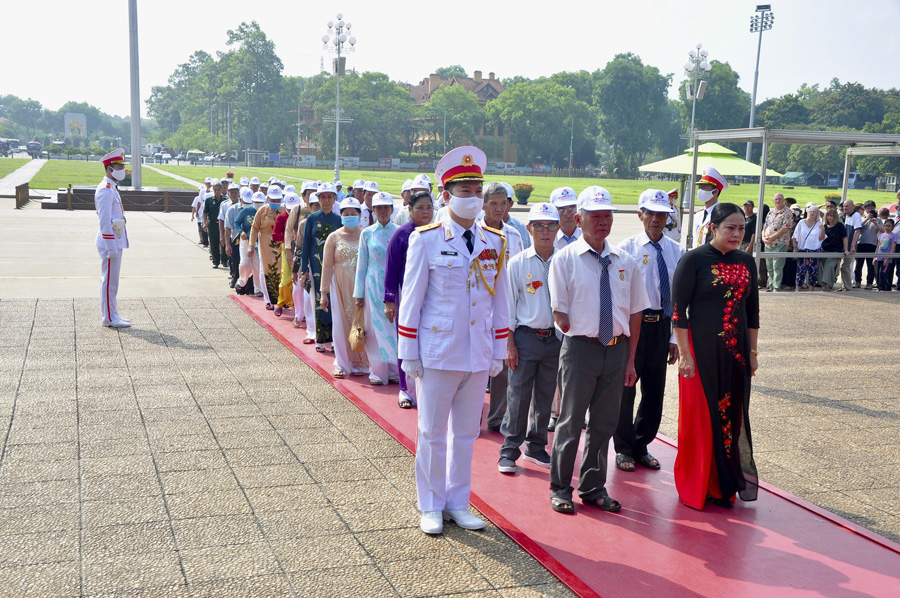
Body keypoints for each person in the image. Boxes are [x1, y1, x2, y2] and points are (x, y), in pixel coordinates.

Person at [398, 146, 509, 535]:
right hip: (438, 352)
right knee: (431, 432)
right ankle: (430, 504)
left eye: (477, 188)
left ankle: (458, 503)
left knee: (465, 434)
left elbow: (501, 300)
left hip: (477, 354)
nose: (473, 197)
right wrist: (407, 352)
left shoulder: (494, 241)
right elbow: (411, 300)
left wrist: (498, 350)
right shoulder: (425, 239)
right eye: (464, 190)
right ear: (445, 195)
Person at [547, 186, 648, 515]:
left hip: (616, 351)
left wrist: (630, 358)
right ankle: (561, 487)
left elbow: (635, 312)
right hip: (581, 349)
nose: (603, 222)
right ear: (578, 219)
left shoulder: (625, 261)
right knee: (571, 421)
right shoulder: (564, 260)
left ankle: (593, 487)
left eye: (608, 216)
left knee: (605, 423)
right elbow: (559, 314)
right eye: (595, 216)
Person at [672, 202, 759, 510]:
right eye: (730, 228)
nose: (737, 234)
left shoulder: (747, 262)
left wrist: (752, 352)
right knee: (699, 419)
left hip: (734, 354)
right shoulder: (693, 260)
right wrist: (684, 354)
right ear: (713, 228)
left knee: (729, 418)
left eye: (741, 228)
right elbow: (677, 312)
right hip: (698, 352)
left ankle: (723, 486)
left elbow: (752, 312)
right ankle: (697, 485)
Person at [614, 189, 684, 473]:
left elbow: (680, 299)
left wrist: (673, 338)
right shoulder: (626, 249)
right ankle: (623, 448)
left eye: (661, 214)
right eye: (650, 213)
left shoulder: (677, 251)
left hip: (662, 326)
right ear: (640, 214)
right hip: (634, 327)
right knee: (626, 389)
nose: (656, 219)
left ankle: (642, 444)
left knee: (654, 390)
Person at [498, 203, 562, 474]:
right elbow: (508, 307)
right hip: (526, 338)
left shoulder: (564, 260)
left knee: (545, 396)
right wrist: (509, 344)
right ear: (529, 229)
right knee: (519, 395)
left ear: (558, 228)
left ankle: (536, 447)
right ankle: (509, 450)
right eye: (538, 226)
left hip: (555, 339)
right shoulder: (517, 263)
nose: (545, 232)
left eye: (550, 226)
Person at [383, 190, 435, 408]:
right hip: (408, 296)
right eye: (420, 208)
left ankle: (428, 389)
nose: (425, 212)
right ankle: (405, 390)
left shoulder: (438, 233)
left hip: (434, 299)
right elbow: (391, 269)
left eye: (429, 207)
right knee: (406, 342)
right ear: (410, 210)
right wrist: (390, 300)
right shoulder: (402, 235)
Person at [481, 181, 526, 432]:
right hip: (479, 309)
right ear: (484, 205)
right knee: (475, 369)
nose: (499, 209)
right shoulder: (473, 233)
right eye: (493, 203)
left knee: (502, 366)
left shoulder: (514, 235)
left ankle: (496, 418)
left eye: (503, 203)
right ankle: (471, 416)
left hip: (505, 311)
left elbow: (519, 276)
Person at [353, 192, 399, 385]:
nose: (382, 211)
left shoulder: (399, 232)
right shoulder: (367, 233)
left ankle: (396, 372)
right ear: (373, 209)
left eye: (386, 207)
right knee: (374, 330)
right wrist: (359, 293)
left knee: (394, 328)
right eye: (378, 208)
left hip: (394, 288)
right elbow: (361, 265)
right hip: (372, 286)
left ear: (391, 209)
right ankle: (378, 372)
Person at [320, 198, 368, 378]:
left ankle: (363, 362)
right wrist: (323, 293)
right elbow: (327, 266)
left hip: (361, 287)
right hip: (339, 286)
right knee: (341, 325)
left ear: (359, 215)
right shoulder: (333, 237)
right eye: (346, 214)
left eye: (353, 214)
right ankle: (342, 363)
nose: (349, 217)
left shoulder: (366, 235)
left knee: (362, 324)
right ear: (341, 216)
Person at [301, 183, 343, 352]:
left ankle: (334, 339)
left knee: (333, 300)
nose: (326, 200)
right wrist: (304, 269)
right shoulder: (311, 219)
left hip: (335, 267)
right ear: (318, 199)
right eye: (323, 197)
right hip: (316, 266)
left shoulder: (339, 220)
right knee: (318, 301)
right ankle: (320, 339)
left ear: (334, 199)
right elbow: (306, 245)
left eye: (329, 197)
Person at [94, 148, 130, 328]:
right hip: (110, 243)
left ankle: (112, 313)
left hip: (115, 240)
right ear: (110, 168)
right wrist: (110, 247)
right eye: (119, 166)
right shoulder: (105, 190)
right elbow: (104, 221)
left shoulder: (112, 188)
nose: (122, 169)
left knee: (112, 281)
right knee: (109, 282)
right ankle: (109, 317)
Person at [250, 187, 286, 309]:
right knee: (266, 270)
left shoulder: (284, 210)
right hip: (265, 243)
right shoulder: (262, 211)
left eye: (278, 200)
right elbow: (254, 229)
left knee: (281, 270)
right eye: (273, 200)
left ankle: (282, 298)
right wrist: (251, 246)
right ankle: (269, 300)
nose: (276, 202)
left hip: (281, 244)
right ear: (268, 198)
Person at [762, 193, 793, 292]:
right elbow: (765, 227)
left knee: (777, 267)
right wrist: (763, 238)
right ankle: (770, 286)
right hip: (768, 244)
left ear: (783, 201)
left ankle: (776, 287)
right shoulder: (770, 213)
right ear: (773, 201)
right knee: (769, 267)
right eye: (776, 199)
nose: (778, 201)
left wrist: (771, 237)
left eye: (780, 199)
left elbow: (785, 228)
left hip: (780, 244)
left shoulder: (787, 212)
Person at [235, 192, 265, 296]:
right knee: (245, 263)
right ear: (252, 201)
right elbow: (237, 222)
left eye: (260, 202)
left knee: (257, 266)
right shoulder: (246, 211)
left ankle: (258, 289)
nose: (258, 204)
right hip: (246, 241)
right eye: (256, 202)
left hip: (259, 242)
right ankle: (241, 281)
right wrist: (241, 231)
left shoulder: (266, 212)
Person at [792, 202, 825, 291]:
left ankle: (811, 289)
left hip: (815, 250)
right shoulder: (801, 223)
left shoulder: (819, 224)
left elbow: (821, 238)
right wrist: (795, 247)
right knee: (800, 272)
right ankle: (797, 289)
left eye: (814, 211)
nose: (812, 213)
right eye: (810, 211)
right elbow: (795, 236)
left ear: (817, 214)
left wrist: (822, 229)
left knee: (813, 272)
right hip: (803, 250)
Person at [692, 166, 726, 247]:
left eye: (703, 187)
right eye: (699, 188)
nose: (700, 191)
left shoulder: (722, 215)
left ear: (715, 191)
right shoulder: (698, 215)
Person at [819, 207, 847, 292]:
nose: (829, 218)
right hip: (824, 251)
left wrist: (846, 249)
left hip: (835, 251)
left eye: (831, 216)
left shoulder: (839, 226)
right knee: (822, 267)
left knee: (829, 266)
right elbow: (820, 238)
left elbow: (844, 238)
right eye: (828, 216)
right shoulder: (824, 226)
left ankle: (828, 285)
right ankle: (824, 283)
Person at [203, 180, 228, 269]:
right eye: (215, 189)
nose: (217, 191)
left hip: (223, 224)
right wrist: (204, 222)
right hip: (212, 224)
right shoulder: (209, 200)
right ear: (213, 190)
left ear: (221, 190)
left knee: (224, 242)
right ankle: (215, 261)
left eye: (218, 189)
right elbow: (205, 212)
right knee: (213, 243)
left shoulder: (225, 201)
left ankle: (224, 261)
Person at [838, 200, 862, 292]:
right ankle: (844, 286)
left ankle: (847, 286)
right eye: (844, 206)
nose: (845, 208)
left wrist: (852, 246)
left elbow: (857, 231)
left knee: (845, 266)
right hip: (845, 245)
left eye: (847, 206)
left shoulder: (856, 215)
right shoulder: (847, 215)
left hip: (850, 246)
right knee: (844, 266)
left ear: (853, 207)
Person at [855, 208, 880, 289]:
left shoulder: (878, 220)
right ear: (865, 209)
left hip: (872, 244)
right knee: (859, 264)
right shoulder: (861, 218)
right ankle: (857, 281)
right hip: (861, 243)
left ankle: (869, 283)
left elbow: (882, 230)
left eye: (872, 208)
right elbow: (858, 227)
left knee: (870, 265)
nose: (870, 210)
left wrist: (876, 223)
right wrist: (866, 219)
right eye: (868, 208)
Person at [551, 186, 581, 251]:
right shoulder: (549, 239)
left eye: (572, 209)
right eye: (562, 211)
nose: (568, 215)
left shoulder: (587, 237)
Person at [874, 219, 897, 291]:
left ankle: (883, 287)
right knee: (878, 273)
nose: (887, 227)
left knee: (883, 272)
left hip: (886, 259)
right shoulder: (881, 235)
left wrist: (888, 259)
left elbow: (893, 249)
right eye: (886, 226)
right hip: (879, 258)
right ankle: (879, 286)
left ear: (892, 227)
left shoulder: (893, 236)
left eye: (889, 226)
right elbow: (878, 246)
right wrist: (874, 257)